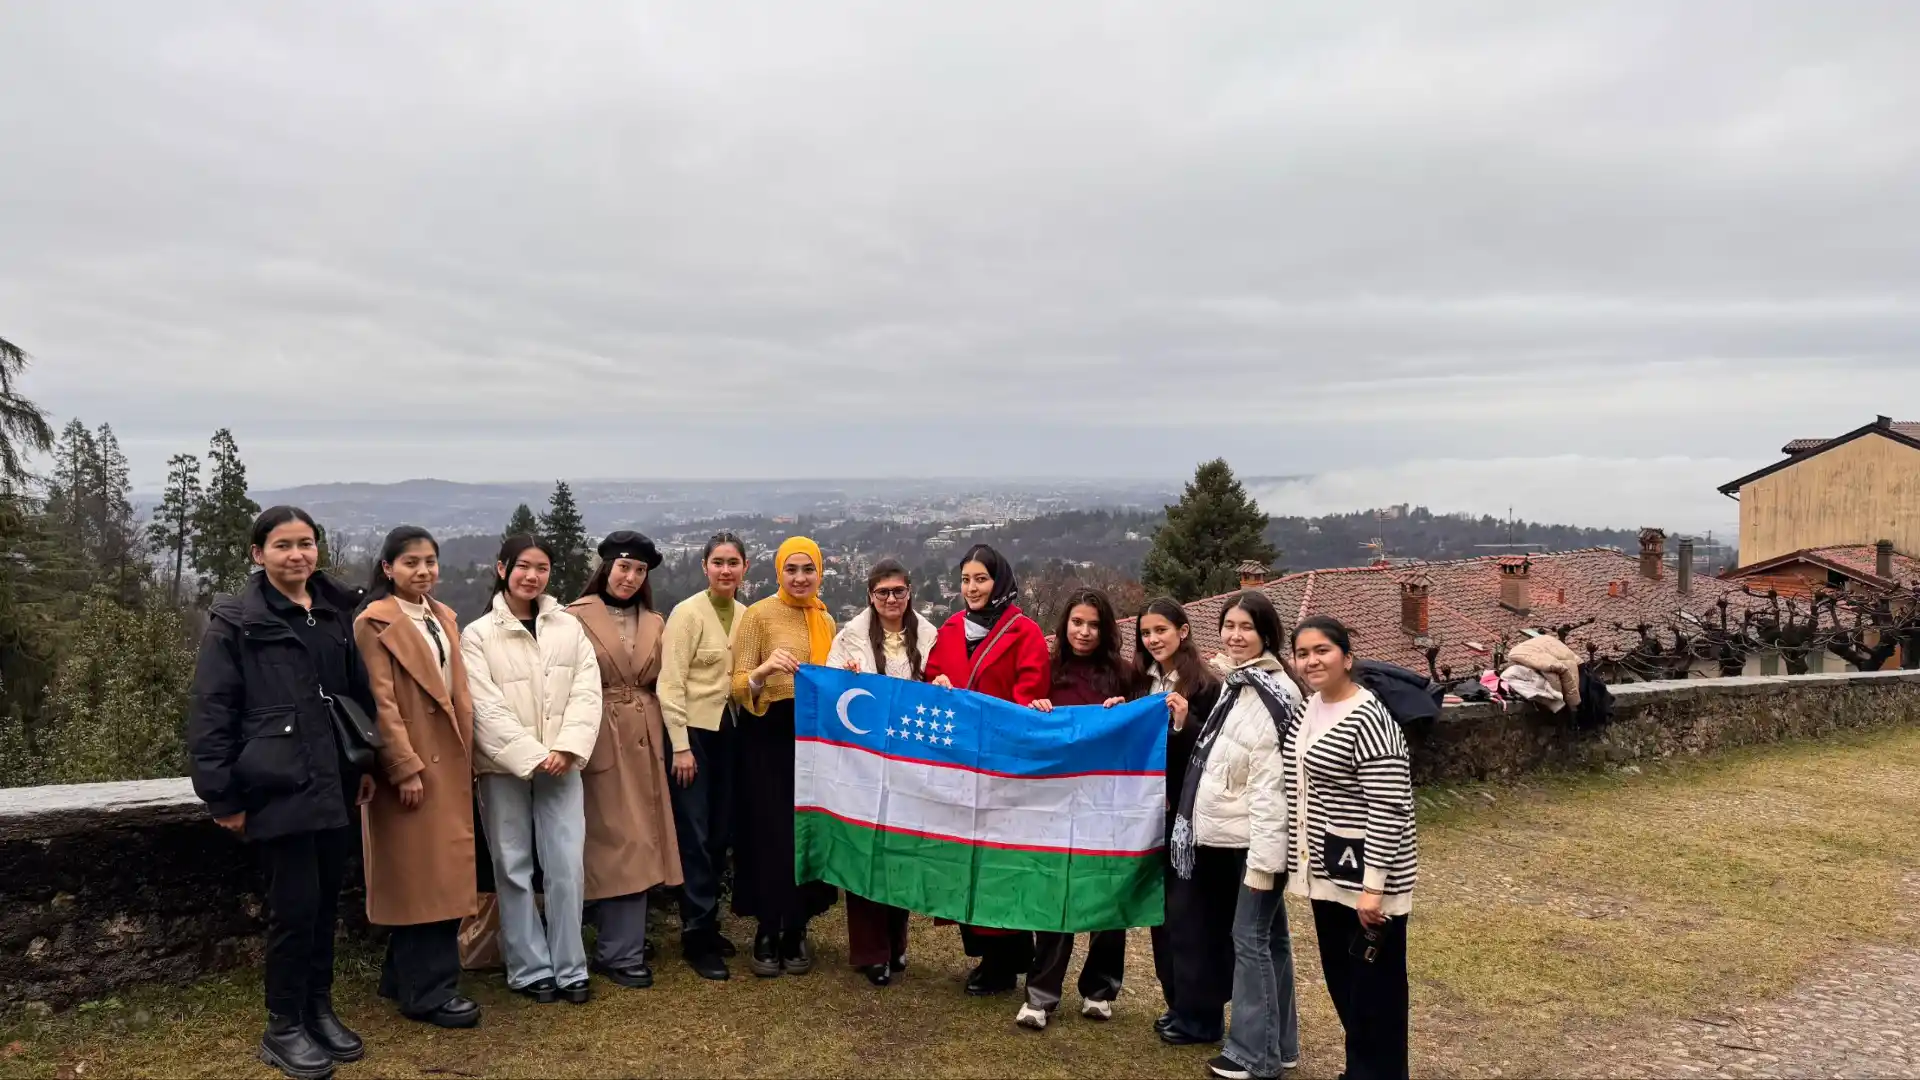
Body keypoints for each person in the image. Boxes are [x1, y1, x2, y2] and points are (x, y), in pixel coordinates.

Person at [188, 506, 375, 1079]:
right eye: (283, 545)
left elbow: (355, 694)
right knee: (293, 910)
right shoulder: (236, 624)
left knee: (323, 909)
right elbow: (212, 712)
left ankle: (318, 1009)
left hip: (333, 782)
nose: (297, 555)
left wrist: (367, 764)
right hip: (278, 785)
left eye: (306, 543)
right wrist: (221, 795)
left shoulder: (332, 611)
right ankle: (283, 1025)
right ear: (258, 554)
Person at [460, 535, 603, 1006]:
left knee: (566, 865)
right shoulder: (478, 634)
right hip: (502, 768)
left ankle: (570, 965)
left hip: (563, 764)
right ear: (503, 569)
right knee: (513, 865)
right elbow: (484, 705)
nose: (532, 576)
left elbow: (587, 692)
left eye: (541, 568)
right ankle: (528, 966)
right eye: (523, 566)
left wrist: (566, 748)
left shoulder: (568, 628)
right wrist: (528, 754)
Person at [1160, 590, 1301, 1064]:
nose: (1235, 636)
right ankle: (1280, 1048)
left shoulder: (1268, 695)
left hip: (1252, 844)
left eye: (1246, 628)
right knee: (1271, 943)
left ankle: (1250, 1053)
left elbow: (1271, 789)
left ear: (1266, 635)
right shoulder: (1243, 685)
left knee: (1250, 943)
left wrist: (1263, 864)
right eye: (1229, 626)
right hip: (1236, 837)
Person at [354, 526, 482, 1030]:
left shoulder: (441, 615)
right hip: (414, 768)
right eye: (411, 563)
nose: (423, 571)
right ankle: (428, 993)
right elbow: (381, 704)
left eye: (430, 561)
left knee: (436, 872)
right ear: (388, 568)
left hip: (448, 762)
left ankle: (402, 977)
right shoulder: (374, 623)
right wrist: (402, 768)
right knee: (422, 879)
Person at [1284, 615, 1416, 1080]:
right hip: (1327, 875)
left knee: (1375, 993)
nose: (1312, 660)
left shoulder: (1369, 716)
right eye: (1303, 653)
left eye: (1322, 650)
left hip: (1367, 883)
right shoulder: (1308, 709)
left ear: (1347, 657)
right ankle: (1360, 1071)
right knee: (1345, 986)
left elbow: (1389, 807)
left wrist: (1374, 888)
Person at [923, 543, 1050, 995]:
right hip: (960, 767)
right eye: (965, 580)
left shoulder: (1025, 632)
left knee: (1002, 864)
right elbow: (932, 679)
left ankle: (1007, 959)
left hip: (1002, 768)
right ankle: (982, 953)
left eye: (981, 579)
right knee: (968, 861)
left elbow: (1029, 696)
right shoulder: (951, 628)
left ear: (999, 581)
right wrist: (936, 684)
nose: (972, 588)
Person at [566, 531, 684, 991]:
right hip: (597, 734)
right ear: (606, 568)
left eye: (639, 571)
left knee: (641, 839)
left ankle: (625, 944)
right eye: (623, 567)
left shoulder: (656, 621)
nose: (631, 577)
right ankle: (618, 949)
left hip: (648, 737)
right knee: (614, 840)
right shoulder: (573, 618)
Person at [1015, 589, 1131, 1031]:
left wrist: (1126, 712)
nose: (1084, 632)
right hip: (1056, 803)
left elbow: (1147, 728)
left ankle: (1101, 989)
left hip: (1108, 804)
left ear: (1106, 630)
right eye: (1077, 622)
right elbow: (1024, 729)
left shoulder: (1124, 675)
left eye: (1094, 624)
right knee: (1056, 895)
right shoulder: (1046, 670)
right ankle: (1040, 995)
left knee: (1107, 890)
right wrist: (1036, 709)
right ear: (1065, 624)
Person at [729, 536, 841, 977]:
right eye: (791, 569)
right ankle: (767, 926)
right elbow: (736, 686)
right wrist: (763, 670)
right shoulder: (758, 615)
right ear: (778, 571)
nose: (799, 578)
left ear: (819, 571)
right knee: (770, 830)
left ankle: (797, 925)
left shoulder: (826, 619)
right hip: (769, 734)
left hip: (814, 736)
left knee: (807, 830)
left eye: (807, 569)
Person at [825, 557, 939, 987]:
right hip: (864, 764)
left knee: (901, 854)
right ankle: (872, 952)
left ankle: (897, 943)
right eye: (883, 592)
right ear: (870, 596)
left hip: (912, 763)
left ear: (910, 592)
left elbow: (943, 687)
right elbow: (833, 693)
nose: (891, 599)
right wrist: (846, 682)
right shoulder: (850, 638)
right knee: (865, 852)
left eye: (899, 591)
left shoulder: (929, 635)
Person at [659, 532, 747, 981]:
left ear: (745, 568)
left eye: (733, 562)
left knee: (719, 832)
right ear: (704, 566)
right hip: (693, 734)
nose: (725, 570)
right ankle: (695, 933)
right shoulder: (688, 613)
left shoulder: (747, 617)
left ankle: (710, 923)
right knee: (694, 833)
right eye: (718, 562)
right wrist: (680, 745)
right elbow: (670, 683)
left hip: (729, 731)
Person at [1133, 597, 1223, 1032]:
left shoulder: (1205, 685)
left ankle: (1201, 1012)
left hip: (1187, 818)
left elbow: (1211, 754)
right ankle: (1177, 1002)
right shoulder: (1142, 681)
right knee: (1162, 916)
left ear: (1182, 632)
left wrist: (1184, 722)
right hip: (1151, 813)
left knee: (1190, 915)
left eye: (1161, 631)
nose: (1152, 639)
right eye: (1146, 633)